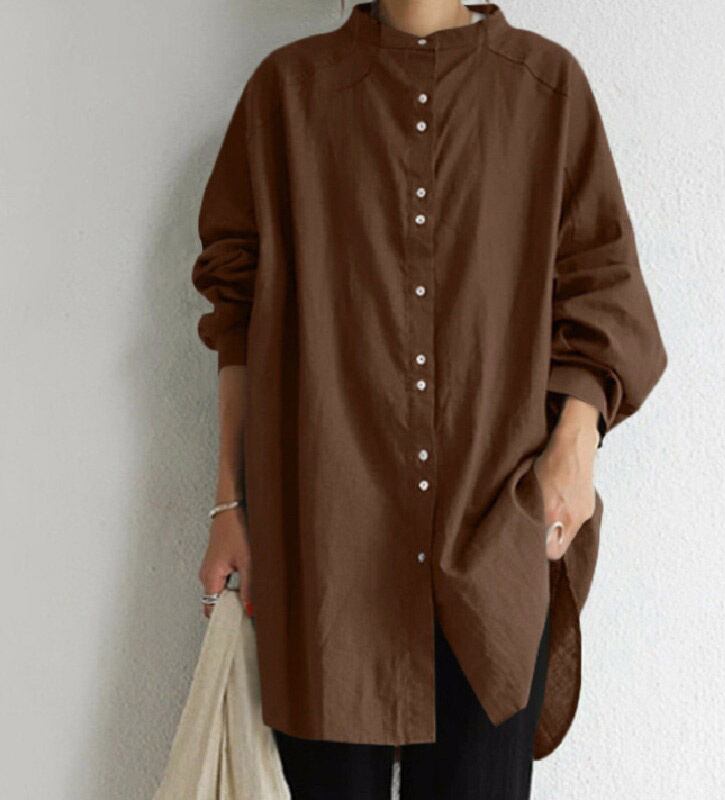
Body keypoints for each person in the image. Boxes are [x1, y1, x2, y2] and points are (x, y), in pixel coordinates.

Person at [191, 1, 668, 797]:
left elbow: (602, 283)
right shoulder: (287, 94)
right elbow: (236, 314)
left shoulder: (546, 89)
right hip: (324, 547)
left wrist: (575, 444)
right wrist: (228, 505)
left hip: (494, 537)